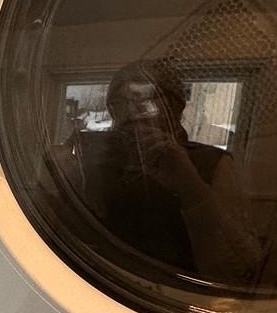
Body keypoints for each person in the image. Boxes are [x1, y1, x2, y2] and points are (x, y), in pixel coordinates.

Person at [66, 61, 261, 281]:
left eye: (146, 100)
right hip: (97, 287)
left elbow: (240, 267)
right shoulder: (95, 159)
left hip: (179, 298)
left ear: (174, 106)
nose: (132, 111)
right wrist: (63, 174)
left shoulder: (209, 162)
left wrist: (189, 183)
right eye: (120, 102)